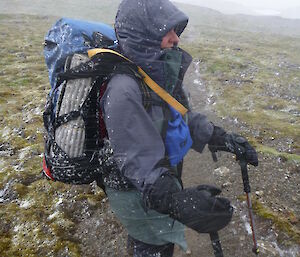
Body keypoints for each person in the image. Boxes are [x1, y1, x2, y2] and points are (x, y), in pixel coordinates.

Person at [99, 0, 258, 256]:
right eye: (167, 30)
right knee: (152, 245)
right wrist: (177, 202)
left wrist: (220, 137)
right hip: (139, 193)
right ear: (144, 32)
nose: (175, 38)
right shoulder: (124, 88)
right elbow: (137, 160)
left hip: (160, 182)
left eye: (176, 30)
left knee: (159, 243)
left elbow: (180, 115)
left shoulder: (155, 72)